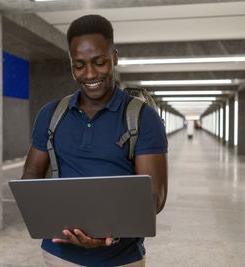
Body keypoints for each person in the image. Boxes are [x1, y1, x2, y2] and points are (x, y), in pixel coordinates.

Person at [21, 14, 168, 267]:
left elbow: (155, 196)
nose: (90, 74)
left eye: (99, 62)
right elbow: (32, 173)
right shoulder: (51, 114)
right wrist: (44, 214)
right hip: (59, 256)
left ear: (114, 57)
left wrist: (110, 232)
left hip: (121, 259)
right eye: (79, 65)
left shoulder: (143, 117)